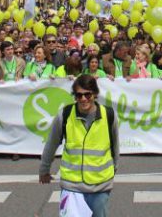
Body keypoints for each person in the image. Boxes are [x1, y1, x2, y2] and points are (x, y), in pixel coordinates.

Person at [39, 74, 119, 217]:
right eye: (78, 95)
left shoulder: (109, 115)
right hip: (72, 186)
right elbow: (51, 145)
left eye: (87, 95)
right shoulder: (64, 115)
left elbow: (115, 146)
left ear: (95, 94)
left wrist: (114, 168)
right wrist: (44, 170)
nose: (83, 99)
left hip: (100, 186)